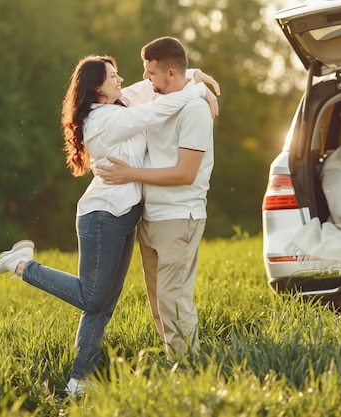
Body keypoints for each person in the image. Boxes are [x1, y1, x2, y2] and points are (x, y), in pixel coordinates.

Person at [0, 55, 216, 396]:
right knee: (92, 296)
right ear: (96, 86)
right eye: (113, 76)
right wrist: (199, 91)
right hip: (102, 216)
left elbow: (156, 85)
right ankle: (22, 265)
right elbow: (156, 111)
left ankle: (78, 381)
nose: (120, 79)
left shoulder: (122, 103)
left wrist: (195, 75)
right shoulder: (103, 120)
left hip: (126, 215)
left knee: (104, 303)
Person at [97, 37, 215, 358]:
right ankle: (174, 360)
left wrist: (130, 174)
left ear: (172, 73)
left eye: (150, 72)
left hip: (180, 217)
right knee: (158, 301)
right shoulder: (157, 95)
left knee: (173, 298)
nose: (146, 78)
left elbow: (184, 173)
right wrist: (200, 80)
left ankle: (189, 366)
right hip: (151, 218)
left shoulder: (194, 110)